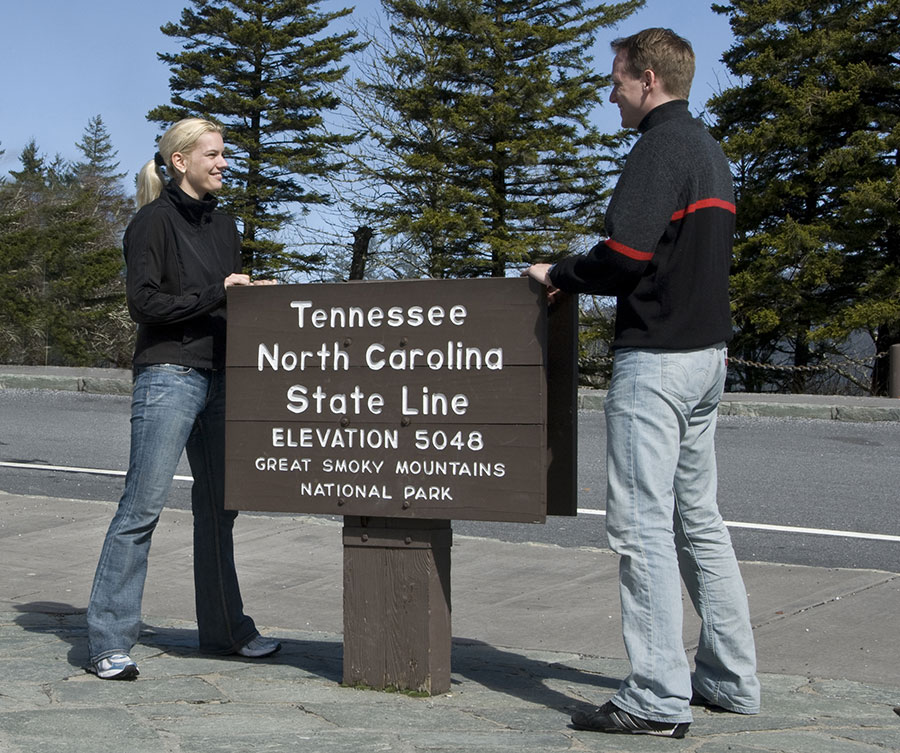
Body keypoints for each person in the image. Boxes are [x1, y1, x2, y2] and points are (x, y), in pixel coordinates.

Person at [525, 28, 760, 738]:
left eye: (618, 78)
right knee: (698, 520)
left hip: (657, 360)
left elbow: (625, 254)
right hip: (707, 359)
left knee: (640, 527)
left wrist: (558, 274)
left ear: (649, 78)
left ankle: (656, 698)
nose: (611, 91)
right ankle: (729, 677)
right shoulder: (711, 151)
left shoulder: (660, 148)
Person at [86, 118, 280, 680]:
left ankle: (226, 632)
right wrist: (217, 292)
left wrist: (249, 301)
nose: (224, 163)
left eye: (224, 155)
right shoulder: (151, 222)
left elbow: (219, 304)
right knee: (141, 509)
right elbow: (144, 305)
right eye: (214, 154)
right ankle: (108, 640)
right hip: (169, 375)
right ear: (180, 161)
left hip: (222, 379)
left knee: (220, 512)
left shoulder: (225, 226)